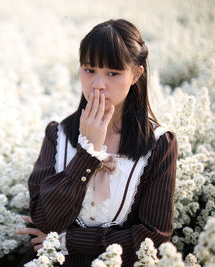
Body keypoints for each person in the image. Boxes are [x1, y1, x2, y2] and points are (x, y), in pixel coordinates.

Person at [15, 18, 178, 267]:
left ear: (136, 74)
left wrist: (70, 240)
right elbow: (45, 220)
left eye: (113, 73)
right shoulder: (57, 134)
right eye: (89, 70)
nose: (97, 85)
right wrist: (87, 153)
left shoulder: (159, 143)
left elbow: (153, 237)